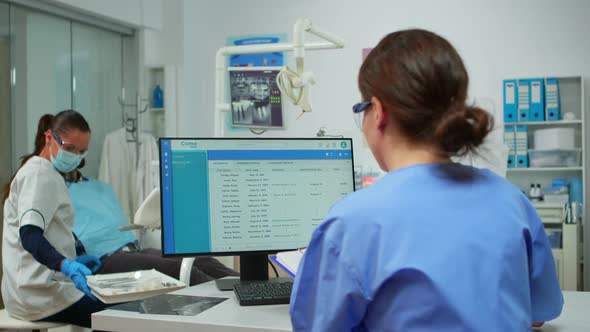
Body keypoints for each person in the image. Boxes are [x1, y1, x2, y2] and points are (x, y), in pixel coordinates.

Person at [289, 29, 563, 331]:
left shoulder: (350, 223)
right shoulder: (512, 202)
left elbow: (317, 325)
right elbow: (539, 313)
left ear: (378, 113)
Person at [1, 110, 110, 328]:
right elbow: (30, 236)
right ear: (49, 137)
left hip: (30, 289)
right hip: (38, 295)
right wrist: (65, 264)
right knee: (122, 314)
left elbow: (51, 231)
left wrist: (71, 258)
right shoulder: (39, 174)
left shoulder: (46, 172)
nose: (75, 157)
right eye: (69, 148)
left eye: (82, 151)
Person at [63, 165, 240, 285]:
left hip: (131, 249)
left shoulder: (94, 186)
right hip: (103, 259)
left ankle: (254, 287)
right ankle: (229, 309)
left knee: (200, 259)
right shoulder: (58, 190)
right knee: (180, 270)